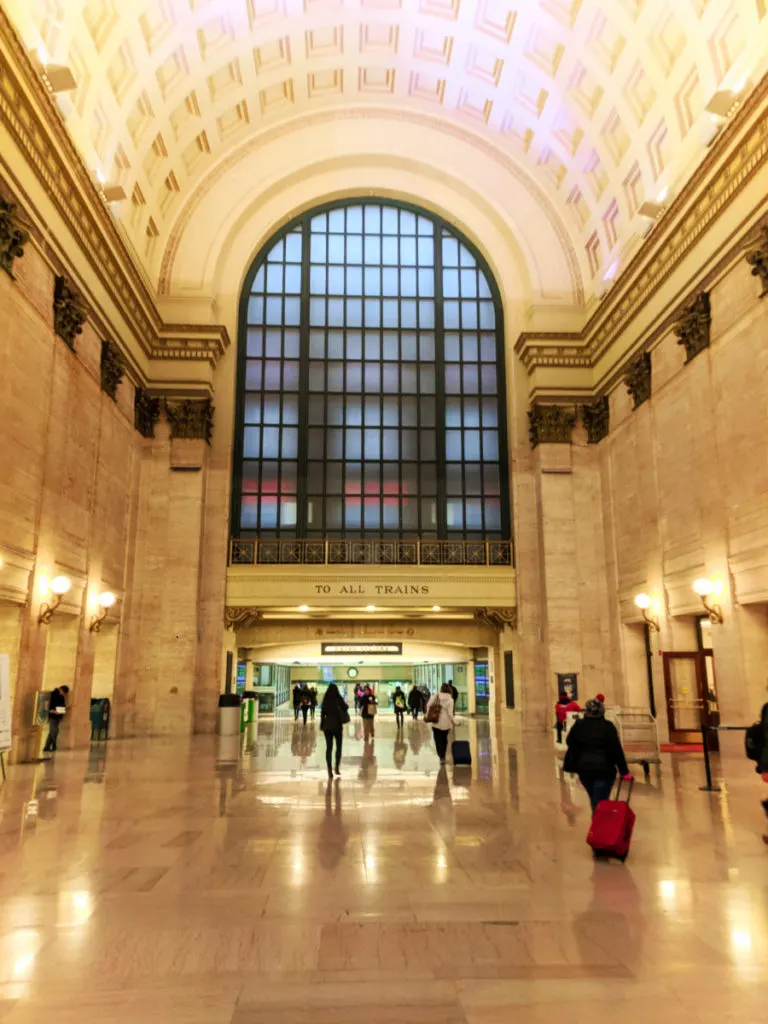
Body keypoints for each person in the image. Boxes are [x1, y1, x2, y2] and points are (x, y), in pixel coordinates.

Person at [564, 698, 632, 811]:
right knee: (599, 802)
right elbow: (616, 750)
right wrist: (624, 772)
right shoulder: (608, 727)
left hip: (584, 769)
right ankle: (599, 825)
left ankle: (598, 823)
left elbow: (569, 742)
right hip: (604, 770)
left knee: (595, 799)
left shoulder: (579, 725)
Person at [320, 682, 348, 778]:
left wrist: (322, 725)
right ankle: (336, 767)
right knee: (338, 747)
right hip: (337, 726)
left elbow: (322, 713)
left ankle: (329, 769)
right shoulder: (338, 699)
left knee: (329, 748)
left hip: (327, 726)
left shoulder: (326, 700)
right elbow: (346, 707)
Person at [427, 683, 455, 765]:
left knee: (437, 740)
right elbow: (450, 714)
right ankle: (443, 755)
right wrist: (454, 721)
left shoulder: (436, 696)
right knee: (444, 739)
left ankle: (441, 756)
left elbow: (428, 705)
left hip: (436, 722)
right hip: (446, 724)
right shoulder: (450, 700)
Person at [43, 685, 69, 753]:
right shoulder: (52, 694)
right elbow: (47, 704)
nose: (64, 695)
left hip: (58, 716)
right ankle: (54, 745)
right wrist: (52, 711)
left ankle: (46, 747)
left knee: (52, 732)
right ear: (61, 690)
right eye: (64, 693)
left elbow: (62, 705)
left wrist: (62, 712)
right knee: (55, 731)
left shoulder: (61, 696)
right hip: (52, 716)